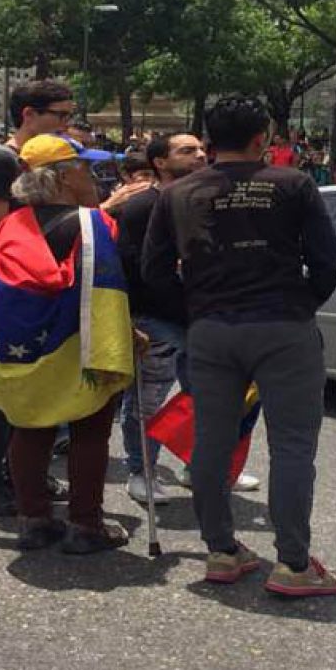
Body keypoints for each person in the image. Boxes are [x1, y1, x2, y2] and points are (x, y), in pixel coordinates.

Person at [143, 96, 336, 595]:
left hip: (212, 328)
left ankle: (221, 551)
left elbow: (152, 272)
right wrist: (301, 304)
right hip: (283, 324)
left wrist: (195, 312)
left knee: (212, 441)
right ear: (263, 138)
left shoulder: (177, 193)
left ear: (209, 141)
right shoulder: (293, 184)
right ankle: (293, 564)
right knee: (293, 445)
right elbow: (329, 263)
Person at [0, 133, 133, 553]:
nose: (94, 176)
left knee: (29, 429)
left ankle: (33, 520)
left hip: (23, 347)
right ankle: (86, 526)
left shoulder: (10, 225)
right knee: (90, 432)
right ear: (65, 177)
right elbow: (109, 292)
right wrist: (120, 346)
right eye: (86, 168)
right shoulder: (94, 224)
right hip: (79, 346)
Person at [0, 80, 77, 515]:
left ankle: (16, 471)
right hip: (9, 289)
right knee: (3, 387)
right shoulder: (3, 161)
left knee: (29, 385)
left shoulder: (29, 159)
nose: (66, 125)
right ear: (28, 114)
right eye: (59, 115)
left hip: (30, 285)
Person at [116, 133, 207, 505]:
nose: (200, 155)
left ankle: (198, 465)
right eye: (187, 151)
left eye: (202, 149)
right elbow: (134, 270)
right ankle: (142, 471)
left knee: (208, 396)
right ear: (160, 162)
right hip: (156, 319)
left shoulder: (206, 200)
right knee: (148, 401)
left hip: (203, 318)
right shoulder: (141, 207)